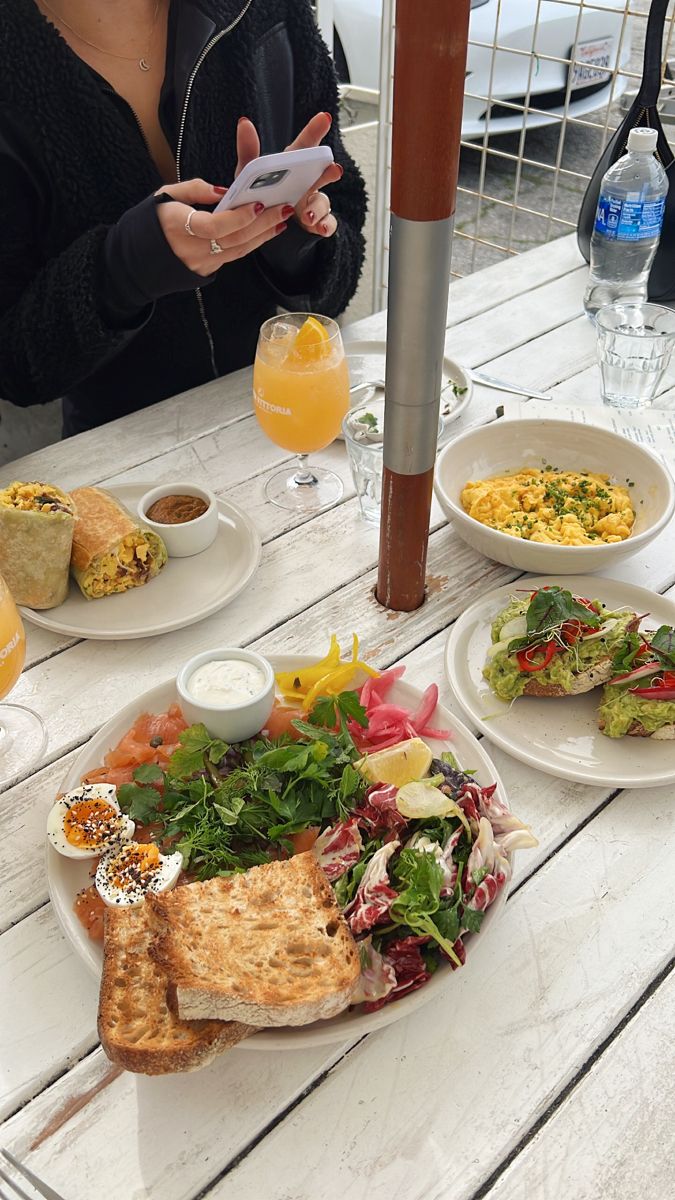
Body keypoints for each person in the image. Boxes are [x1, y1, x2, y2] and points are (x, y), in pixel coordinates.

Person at [0, 0, 367, 436]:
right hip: (121, 460)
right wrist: (125, 268)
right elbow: (16, 365)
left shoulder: (263, 10)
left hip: (277, 420)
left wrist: (288, 234)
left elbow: (339, 260)